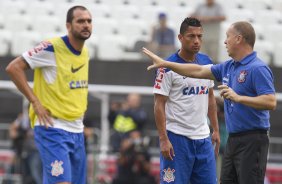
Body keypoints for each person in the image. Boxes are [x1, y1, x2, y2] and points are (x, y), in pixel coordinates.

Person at [143, 21, 277, 184]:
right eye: (191, 36)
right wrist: (166, 64)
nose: (225, 41)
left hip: (245, 138)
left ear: (238, 39)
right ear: (180, 38)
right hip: (193, 138)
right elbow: (196, 72)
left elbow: (270, 101)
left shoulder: (256, 68)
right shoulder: (228, 66)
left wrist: (234, 104)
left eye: (228, 37)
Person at [6, 5, 92, 184]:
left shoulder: (85, 52)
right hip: (52, 126)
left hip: (76, 129)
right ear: (68, 25)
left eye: (89, 21)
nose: (86, 25)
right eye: (80, 21)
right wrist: (34, 102)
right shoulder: (51, 47)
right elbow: (13, 68)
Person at [150, 17, 220, 184]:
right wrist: (163, 139)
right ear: (180, 38)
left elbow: (210, 97)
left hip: (203, 139)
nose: (196, 41)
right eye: (191, 36)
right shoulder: (166, 66)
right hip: (177, 139)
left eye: (199, 36)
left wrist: (215, 129)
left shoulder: (206, 62)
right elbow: (159, 104)